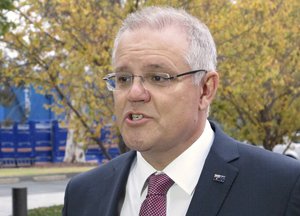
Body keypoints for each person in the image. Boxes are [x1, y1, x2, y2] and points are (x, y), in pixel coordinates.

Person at [62, 6, 300, 216]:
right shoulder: (83, 193)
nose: (134, 93)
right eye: (123, 78)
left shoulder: (282, 186)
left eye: (157, 77)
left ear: (206, 89)